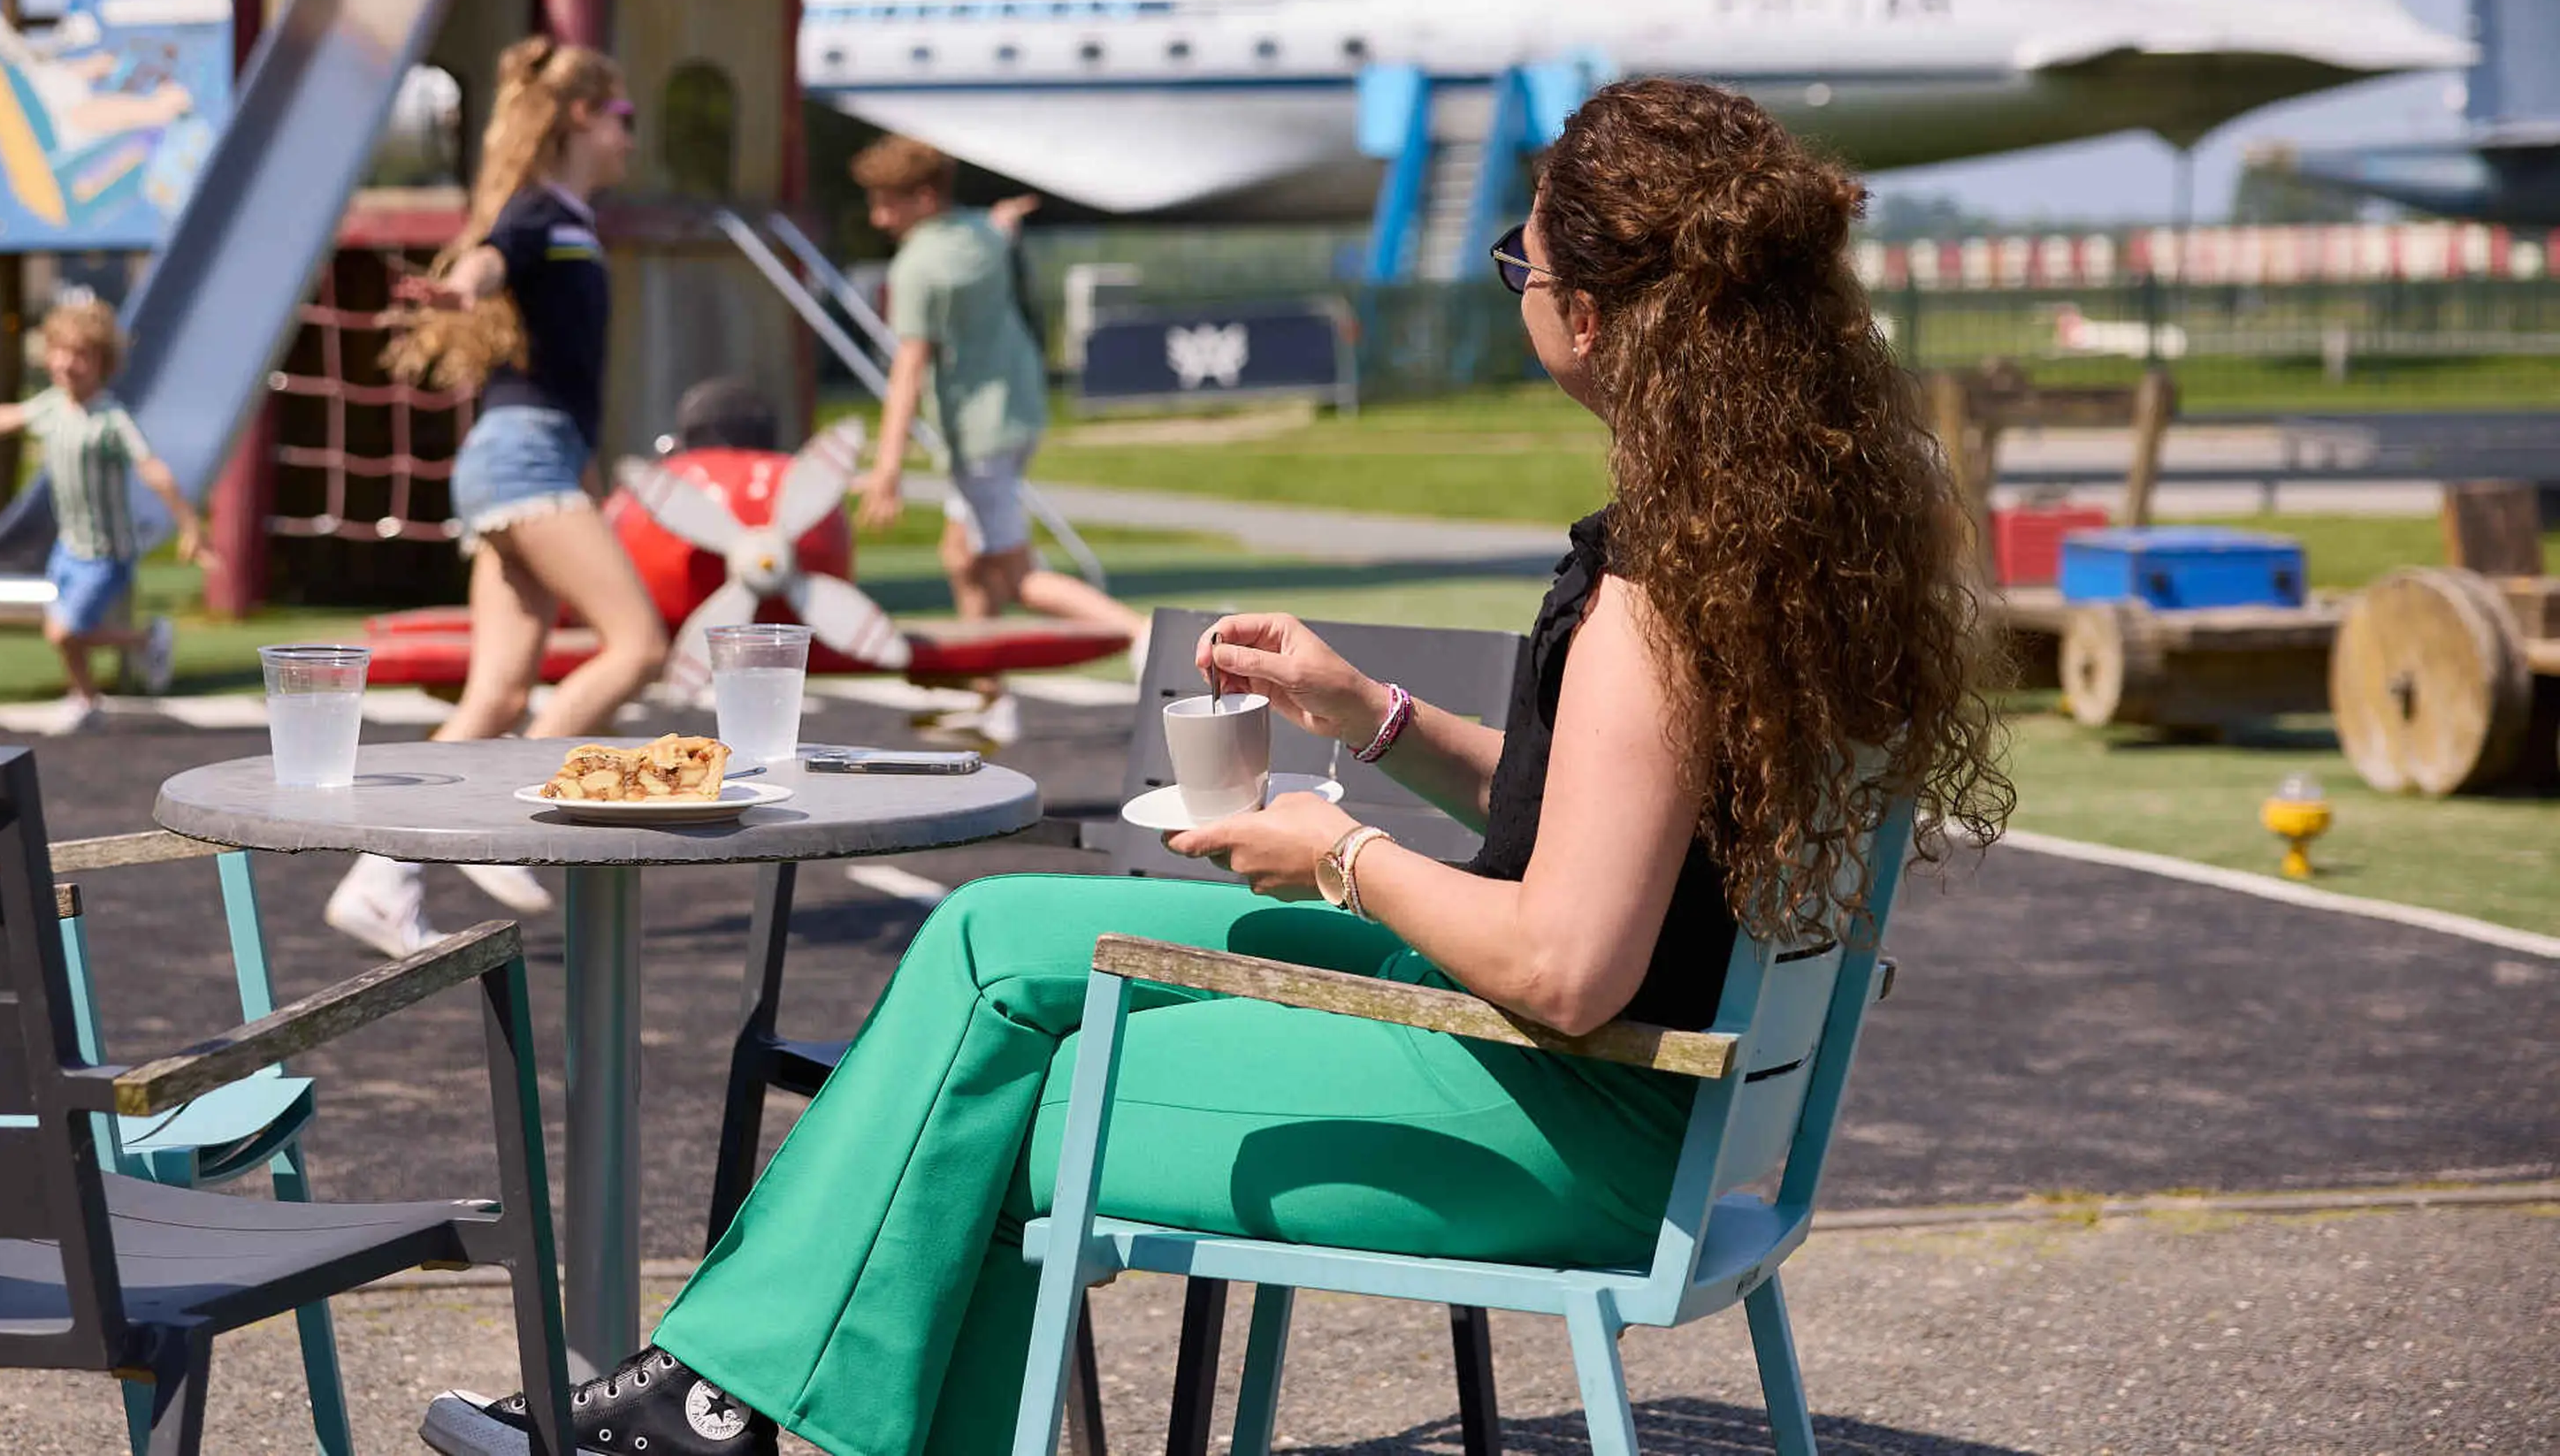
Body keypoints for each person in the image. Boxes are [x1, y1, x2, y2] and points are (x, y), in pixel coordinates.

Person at [420, 79, 2009, 1456]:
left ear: (1591, 311)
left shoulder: (1664, 596)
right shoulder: (1772, 545)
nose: (1513, 277)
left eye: (1517, 254)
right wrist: (1367, 715)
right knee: (987, 942)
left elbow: (1571, 959)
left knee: (997, 1110)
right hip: (1645, 1097)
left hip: (1571, 1112)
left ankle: (715, 1407)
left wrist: (1338, 850)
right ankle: (721, 1401)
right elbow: (1616, 827)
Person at [326, 35, 671, 957]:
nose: (633, 139)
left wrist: (591, 482)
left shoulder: (573, 222)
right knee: (638, 647)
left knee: (499, 690)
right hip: (521, 463)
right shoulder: (538, 214)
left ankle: (379, 878)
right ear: (583, 118)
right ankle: (515, 811)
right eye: (625, 119)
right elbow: (486, 257)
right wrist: (455, 291)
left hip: (530, 457)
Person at [848, 137, 1146, 659]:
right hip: (1020, 411)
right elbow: (999, 224)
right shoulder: (978, 233)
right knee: (962, 556)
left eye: (887, 202)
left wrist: (887, 466)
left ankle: (1141, 632)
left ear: (923, 199)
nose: (877, 218)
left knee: (1019, 579)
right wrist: (1006, 214)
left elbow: (908, 369)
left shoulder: (917, 268)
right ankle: (982, 689)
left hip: (978, 434)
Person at [0, 299, 208, 728]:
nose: (66, 363)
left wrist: (188, 523)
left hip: (107, 553)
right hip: (68, 548)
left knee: (63, 633)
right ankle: (85, 699)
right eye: (59, 351)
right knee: (63, 632)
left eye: (80, 354)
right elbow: (5, 417)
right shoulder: (52, 406)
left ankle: (146, 639)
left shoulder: (110, 420)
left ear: (103, 362)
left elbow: (153, 469)